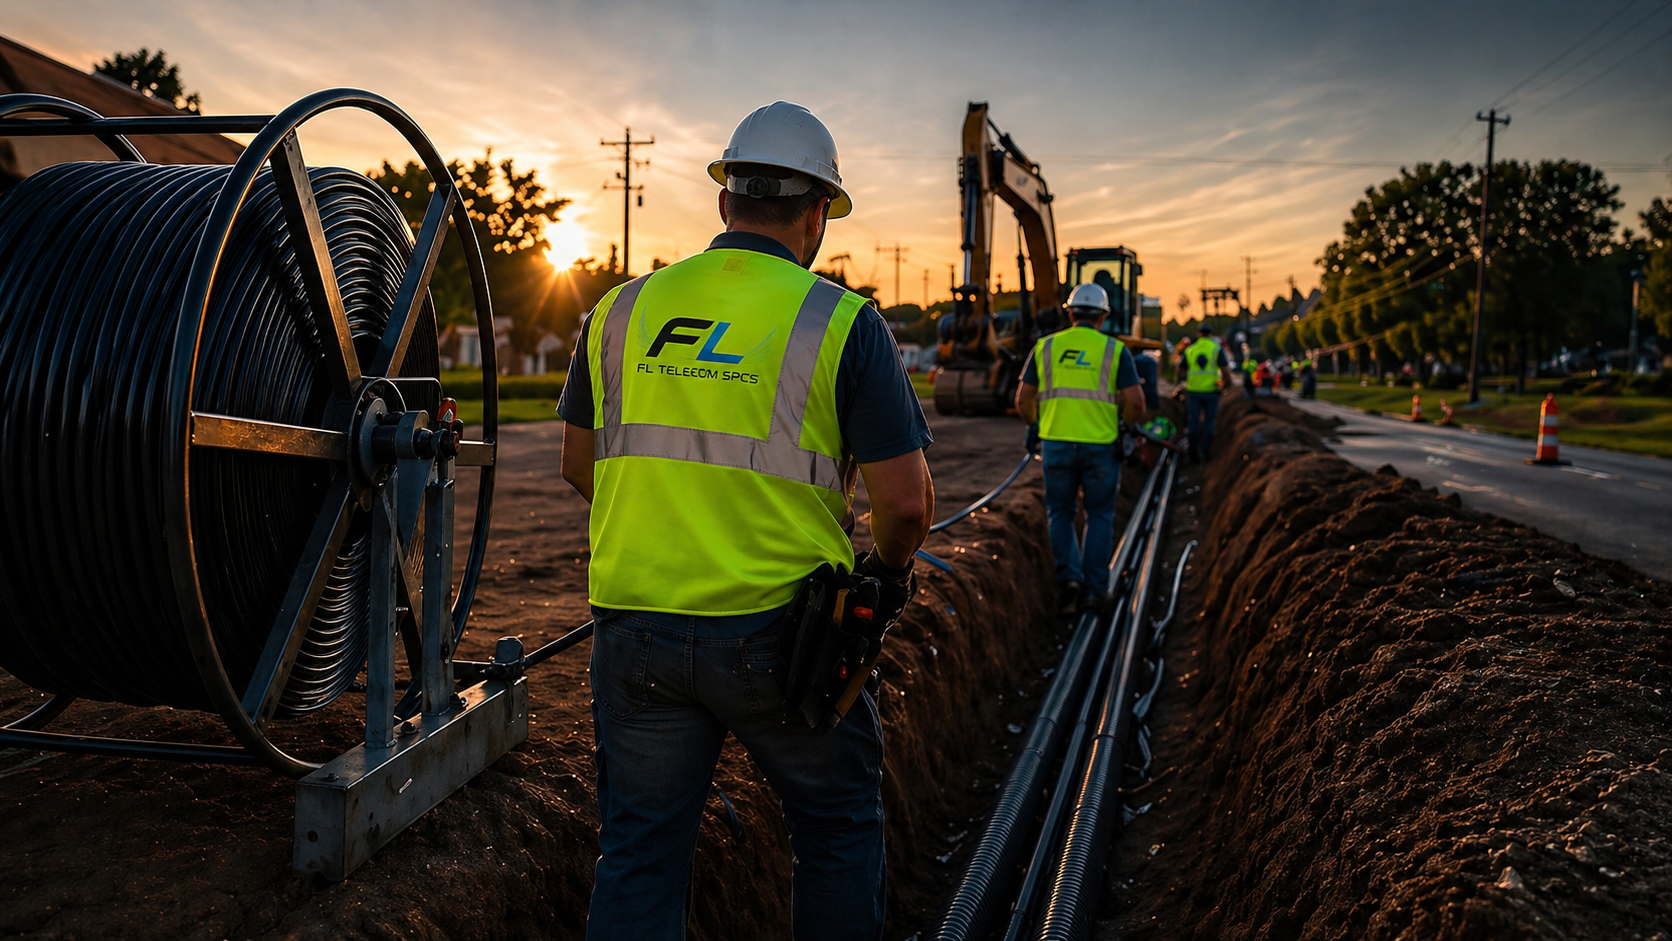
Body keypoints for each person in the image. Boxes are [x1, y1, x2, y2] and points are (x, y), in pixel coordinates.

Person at [556, 100, 934, 941]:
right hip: (783, 636)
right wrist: (888, 573)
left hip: (636, 632)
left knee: (640, 854)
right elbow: (904, 505)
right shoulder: (842, 323)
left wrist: (674, 529)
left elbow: (581, 465)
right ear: (816, 217)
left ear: (725, 203)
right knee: (835, 827)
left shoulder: (617, 311)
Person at [1014, 283, 1145, 615]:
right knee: (1099, 515)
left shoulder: (1045, 347)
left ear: (1070, 312)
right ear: (1102, 317)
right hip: (1101, 447)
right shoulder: (1115, 351)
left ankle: (1069, 581)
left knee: (1061, 513)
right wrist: (1126, 428)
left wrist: (1034, 426)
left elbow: (1023, 399)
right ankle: (1094, 591)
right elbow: (1136, 402)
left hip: (1057, 446)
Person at [1180, 324, 1234, 464]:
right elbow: (1226, 372)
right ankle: (1206, 452)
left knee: (1193, 422)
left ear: (1198, 334)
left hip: (1193, 392)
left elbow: (1180, 370)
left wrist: (1189, 380)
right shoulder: (1216, 348)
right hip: (1212, 392)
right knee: (1209, 422)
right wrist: (1223, 385)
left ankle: (1192, 453)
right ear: (1210, 334)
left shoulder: (1190, 350)